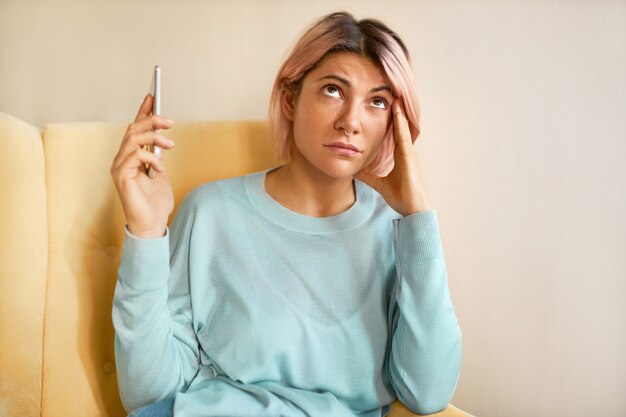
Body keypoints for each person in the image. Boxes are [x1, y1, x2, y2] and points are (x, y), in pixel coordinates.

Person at [110, 11, 462, 417]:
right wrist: (147, 232)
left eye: (377, 102)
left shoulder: (395, 234)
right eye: (333, 90)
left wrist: (418, 219)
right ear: (291, 99)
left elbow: (429, 393)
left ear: (392, 124)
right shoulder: (210, 213)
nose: (351, 122)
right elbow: (149, 396)